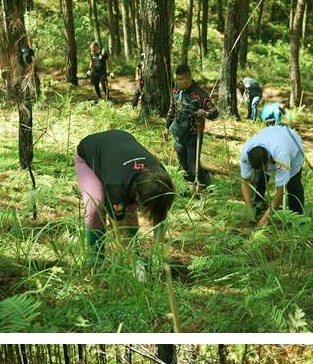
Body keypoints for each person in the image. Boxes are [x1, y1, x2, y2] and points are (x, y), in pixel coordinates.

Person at [75, 130, 176, 266]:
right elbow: (119, 229)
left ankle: (134, 251)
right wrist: (132, 263)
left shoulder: (161, 178)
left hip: (118, 155)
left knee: (128, 209)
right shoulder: (117, 186)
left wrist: (159, 253)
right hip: (90, 154)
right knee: (96, 206)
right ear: (138, 193)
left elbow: (160, 215)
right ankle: (95, 256)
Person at [239, 125, 307, 228]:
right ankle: (258, 208)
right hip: (270, 133)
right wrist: (249, 210)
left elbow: (280, 191)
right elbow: (245, 182)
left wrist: (267, 217)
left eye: (263, 167)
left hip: (293, 144)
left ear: (269, 160)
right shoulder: (246, 154)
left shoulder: (281, 156)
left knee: (293, 185)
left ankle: (297, 218)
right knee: (259, 180)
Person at [164, 64, 218, 187]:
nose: (179, 82)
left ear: (189, 78)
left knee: (193, 166)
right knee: (183, 164)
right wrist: (167, 127)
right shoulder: (176, 91)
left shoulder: (200, 95)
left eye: (181, 79)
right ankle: (187, 187)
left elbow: (215, 113)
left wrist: (205, 113)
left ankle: (204, 184)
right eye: (177, 79)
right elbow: (172, 109)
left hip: (193, 136)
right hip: (178, 133)